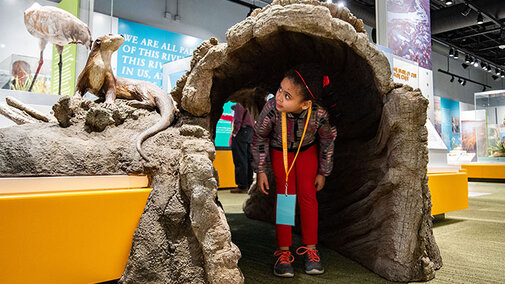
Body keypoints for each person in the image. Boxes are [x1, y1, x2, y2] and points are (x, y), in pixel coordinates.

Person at [252, 64, 337, 277]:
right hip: (280, 151)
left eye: (287, 96)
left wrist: (323, 171)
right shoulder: (272, 108)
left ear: (306, 104)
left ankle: (311, 250)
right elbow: (260, 136)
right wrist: (261, 169)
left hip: (307, 151)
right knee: (286, 196)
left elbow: (327, 139)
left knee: (308, 197)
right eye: (280, 89)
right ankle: (283, 253)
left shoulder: (319, 113)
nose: (279, 97)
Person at [230, 103, 255, 193]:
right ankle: (249, 184)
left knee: (240, 159)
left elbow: (238, 119)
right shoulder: (250, 107)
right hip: (250, 132)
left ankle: (242, 185)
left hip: (241, 132)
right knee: (248, 159)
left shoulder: (240, 105)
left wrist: (235, 132)